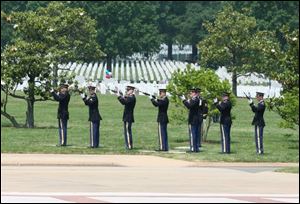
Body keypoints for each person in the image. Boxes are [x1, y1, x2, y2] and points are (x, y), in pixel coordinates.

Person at [80, 82, 102, 148]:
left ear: (93, 90)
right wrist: (83, 95)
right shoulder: (92, 96)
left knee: (93, 131)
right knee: (95, 131)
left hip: (94, 116)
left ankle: (93, 144)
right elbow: (88, 99)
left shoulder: (94, 97)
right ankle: (96, 144)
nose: (90, 91)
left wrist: (83, 98)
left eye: (90, 90)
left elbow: (88, 103)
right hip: (95, 116)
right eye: (89, 90)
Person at [180, 87, 201, 152]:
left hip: (193, 120)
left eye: (191, 92)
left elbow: (189, 106)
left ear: (194, 93)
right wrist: (187, 100)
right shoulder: (195, 99)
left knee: (193, 134)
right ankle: (196, 148)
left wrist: (184, 100)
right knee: (195, 134)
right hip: (195, 119)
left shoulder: (196, 99)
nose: (190, 94)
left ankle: (193, 148)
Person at [150, 85, 169, 151]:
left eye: (160, 93)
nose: (159, 94)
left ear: (164, 93)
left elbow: (156, 104)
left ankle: (162, 147)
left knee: (161, 133)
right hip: (164, 118)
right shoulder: (165, 99)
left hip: (162, 118)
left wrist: (152, 99)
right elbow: (159, 101)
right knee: (164, 133)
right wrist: (155, 98)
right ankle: (165, 147)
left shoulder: (165, 100)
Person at [117, 85, 136, 149]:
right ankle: (127, 145)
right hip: (127, 116)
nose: (127, 91)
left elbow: (124, 102)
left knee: (128, 132)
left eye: (128, 90)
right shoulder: (129, 97)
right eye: (126, 90)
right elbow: (125, 99)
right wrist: (122, 95)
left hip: (128, 117)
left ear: (132, 90)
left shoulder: (132, 98)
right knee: (126, 131)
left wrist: (119, 96)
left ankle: (129, 145)